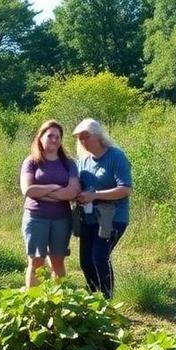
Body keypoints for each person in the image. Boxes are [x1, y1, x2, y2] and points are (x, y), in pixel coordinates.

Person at [73, 118, 132, 298]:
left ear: (98, 135)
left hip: (112, 217)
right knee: (85, 262)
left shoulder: (116, 156)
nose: (82, 140)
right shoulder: (83, 161)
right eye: (79, 137)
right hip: (89, 218)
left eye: (85, 136)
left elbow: (125, 189)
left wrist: (95, 195)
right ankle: (94, 299)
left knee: (99, 257)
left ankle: (107, 300)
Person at [20, 120, 80, 287]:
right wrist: (55, 189)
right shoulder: (31, 162)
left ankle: (58, 303)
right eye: (50, 136)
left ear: (61, 140)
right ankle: (33, 302)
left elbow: (72, 192)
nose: (54, 139)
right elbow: (28, 191)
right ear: (40, 138)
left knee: (58, 262)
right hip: (36, 218)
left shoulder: (69, 164)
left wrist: (43, 192)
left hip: (61, 219)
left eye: (57, 136)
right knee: (36, 262)